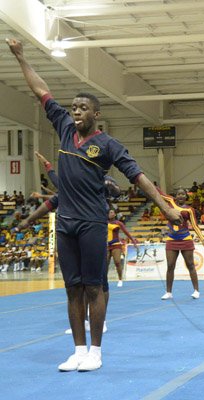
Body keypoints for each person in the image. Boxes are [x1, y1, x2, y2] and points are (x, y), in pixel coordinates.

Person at [7, 38, 181, 372]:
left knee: (94, 286)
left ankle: (96, 351)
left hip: (92, 223)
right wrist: (20, 57)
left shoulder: (108, 145)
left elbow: (138, 176)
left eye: (82, 108)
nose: (75, 111)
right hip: (66, 223)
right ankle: (77, 349)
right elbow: (40, 89)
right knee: (72, 289)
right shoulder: (61, 127)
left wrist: (163, 207)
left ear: (96, 114)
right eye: (72, 107)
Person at [159, 188, 204, 300]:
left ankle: (196, 290)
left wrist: (202, 238)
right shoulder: (170, 202)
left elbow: (194, 225)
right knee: (170, 266)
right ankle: (168, 292)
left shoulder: (190, 210)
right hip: (171, 239)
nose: (180, 196)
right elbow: (159, 194)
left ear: (186, 196)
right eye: (178, 194)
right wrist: (147, 182)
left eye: (183, 194)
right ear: (175, 196)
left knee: (191, 265)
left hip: (185, 238)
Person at [107, 209, 138, 287]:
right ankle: (104, 280)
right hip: (106, 245)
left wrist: (133, 241)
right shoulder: (104, 223)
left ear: (115, 214)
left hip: (116, 244)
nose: (110, 214)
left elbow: (126, 232)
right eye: (109, 213)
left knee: (117, 262)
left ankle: (120, 279)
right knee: (105, 264)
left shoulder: (118, 223)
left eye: (111, 212)